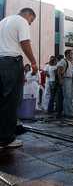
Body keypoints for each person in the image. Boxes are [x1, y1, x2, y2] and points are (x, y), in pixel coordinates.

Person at [0, 8, 37, 148]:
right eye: (31, 20)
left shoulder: (3, 21)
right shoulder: (21, 21)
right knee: (11, 101)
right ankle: (6, 139)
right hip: (11, 62)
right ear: (28, 14)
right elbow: (25, 42)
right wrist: (33, 62)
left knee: (2, 100)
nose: (30, 23)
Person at [57, 50, 73, 118]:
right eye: (71, 53)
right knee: (67, 96)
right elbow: (59, 71)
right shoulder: (63, 61)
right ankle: (68, 112)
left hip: (69, 79)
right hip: (65, 79)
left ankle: (69, 111)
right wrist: (60, 79)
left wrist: (72, 82)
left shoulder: (70, 62)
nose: (72, 55)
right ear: (67, 54)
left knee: (69, 96)